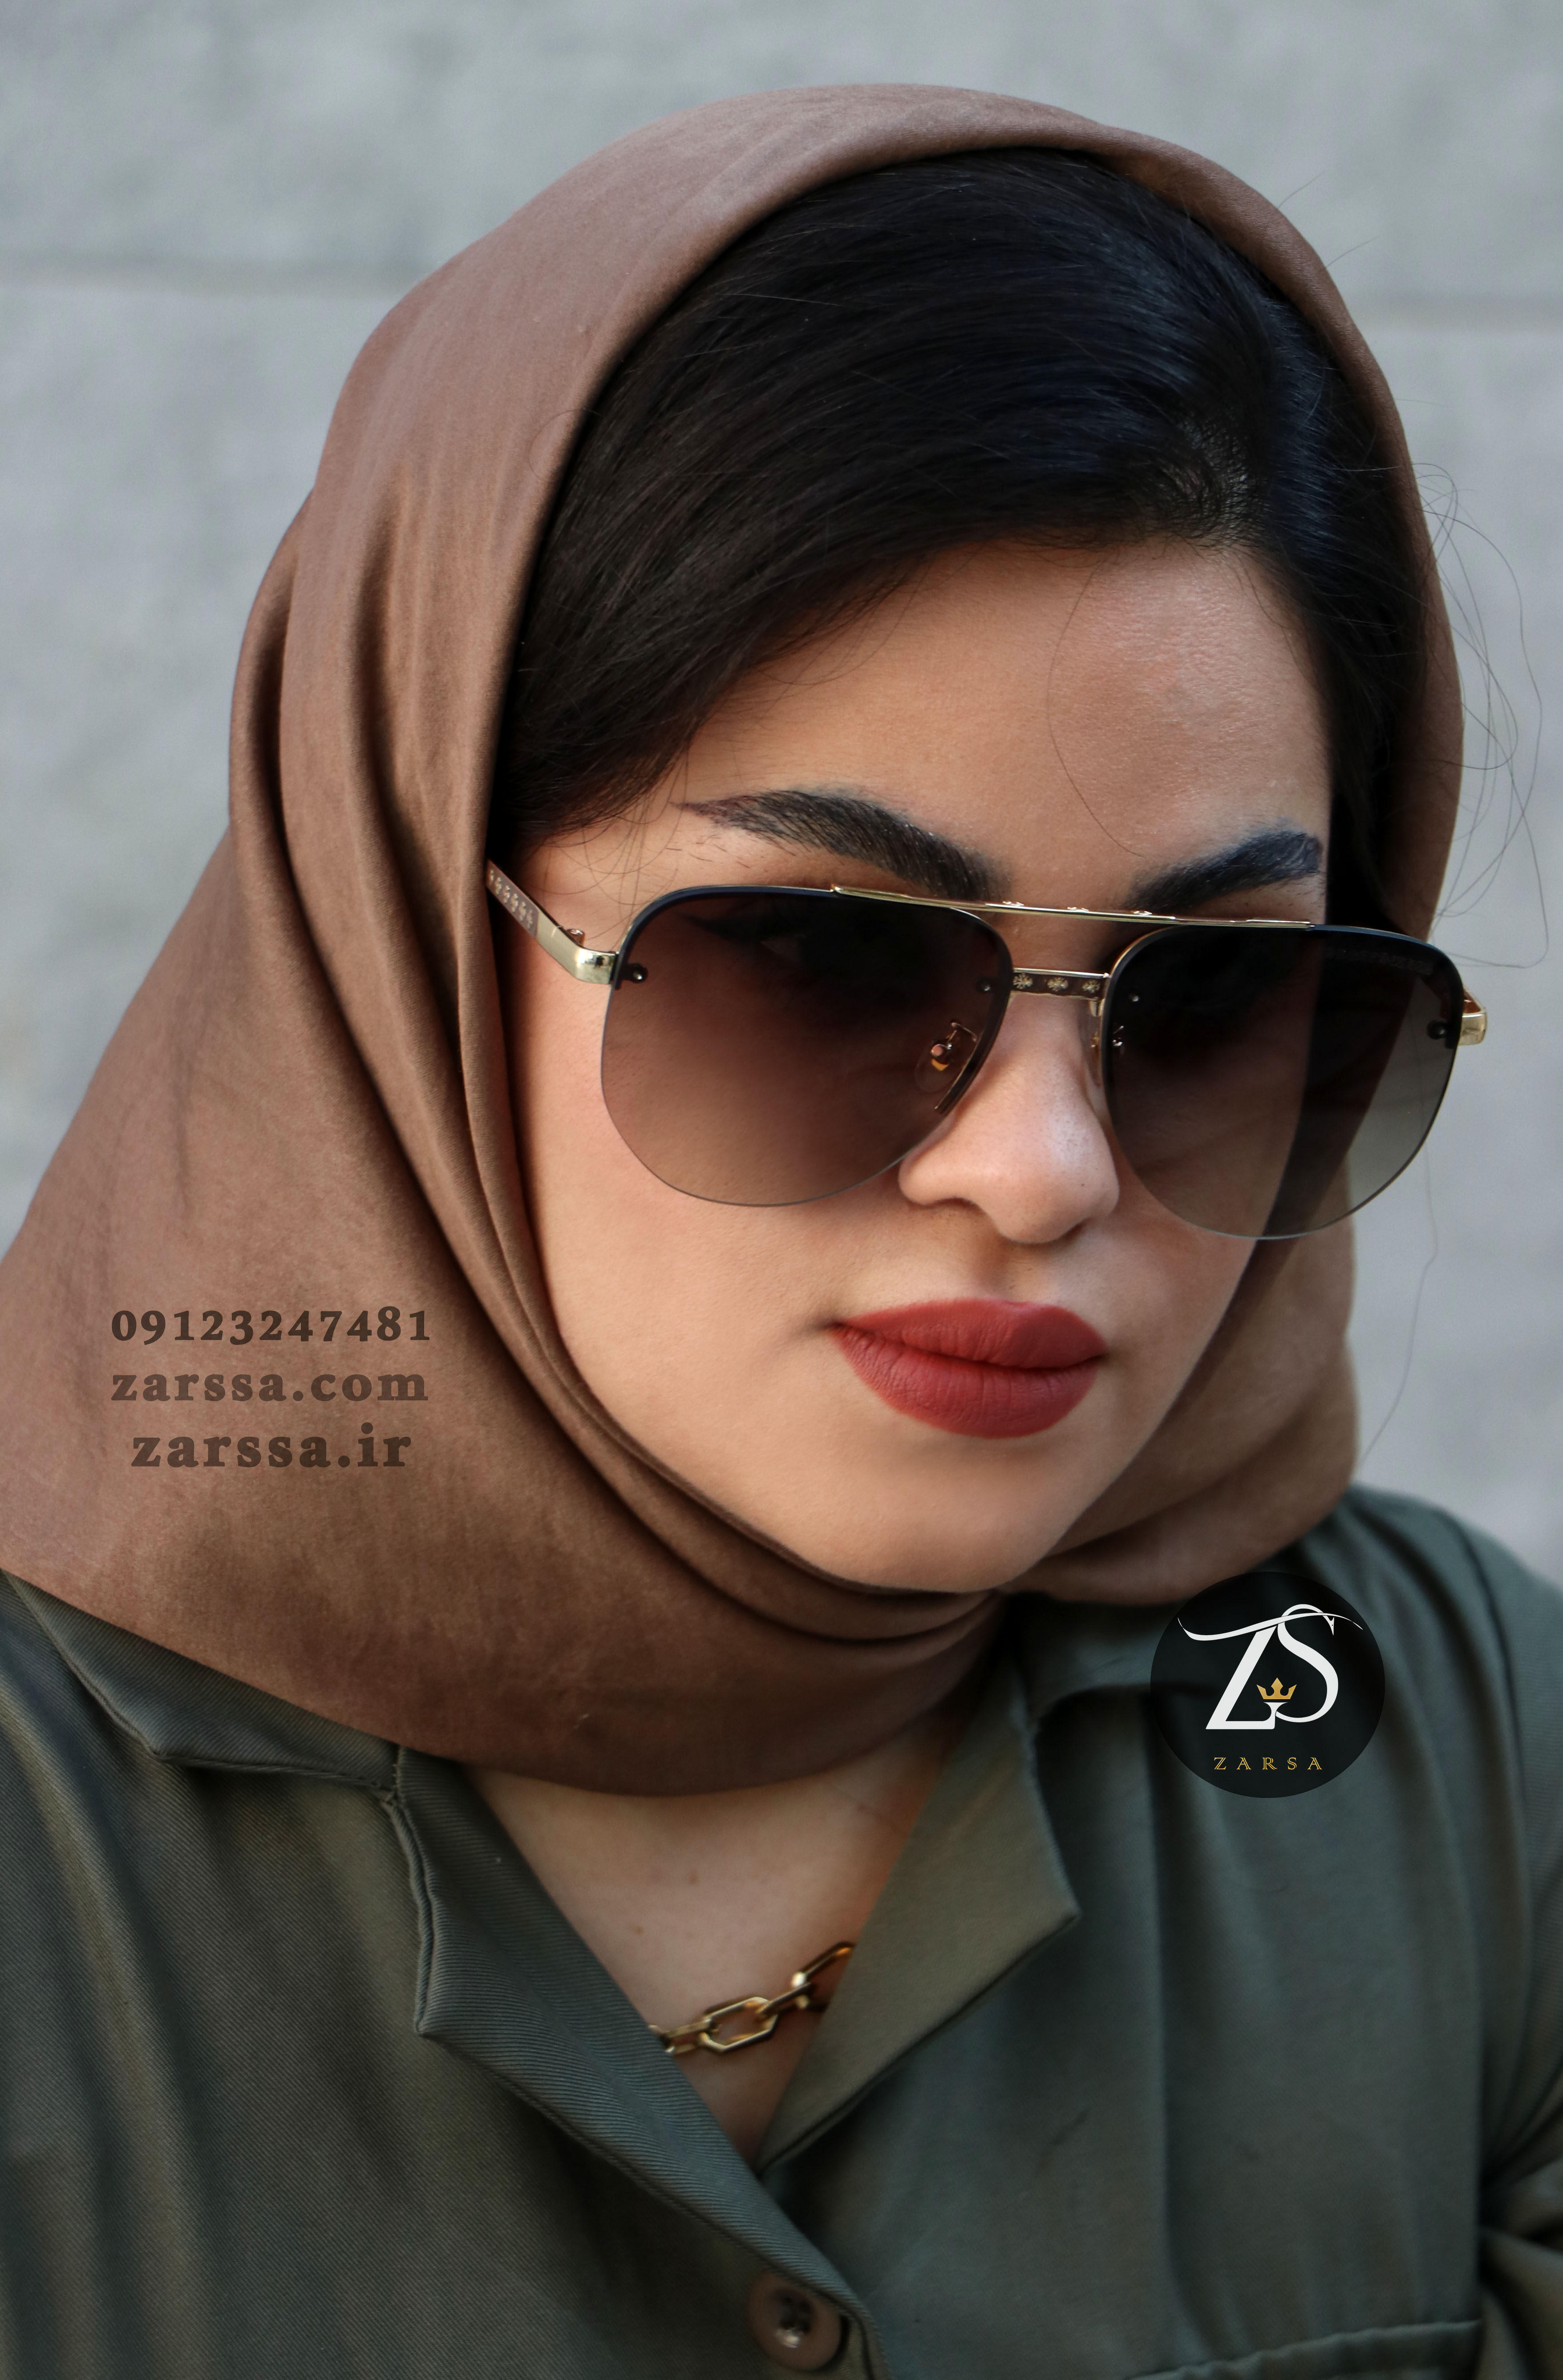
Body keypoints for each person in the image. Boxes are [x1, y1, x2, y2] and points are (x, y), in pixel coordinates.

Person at [0, 84, 1557, 2380]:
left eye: (1215, 1000)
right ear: (408, 933)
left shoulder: (1463, 1760)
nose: (1042, 1172)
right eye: (823, 961)